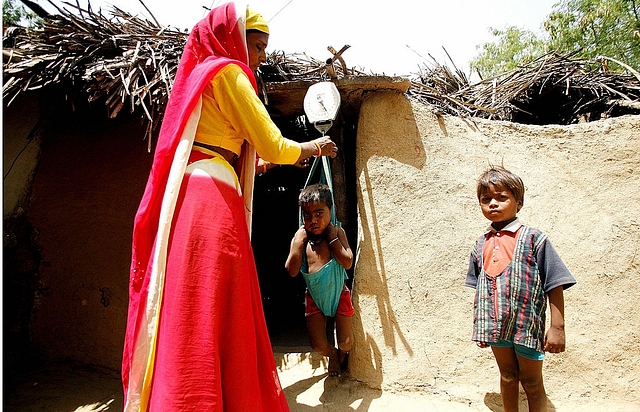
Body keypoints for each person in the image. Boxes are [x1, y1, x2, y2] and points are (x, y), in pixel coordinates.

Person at [121, 3, 337, 411]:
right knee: (217, 299)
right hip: (212, 198)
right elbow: (274, 142)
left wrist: (258, 162)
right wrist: (314, 146)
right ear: (235, 39)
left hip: (194, 191)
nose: (258, 58)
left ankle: (183, 393)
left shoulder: (202, 76)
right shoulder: (230, 72)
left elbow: (225, 142)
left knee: (190, 298)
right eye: (256, 46)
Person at [465, 166, 576, 412]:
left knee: (532, 382)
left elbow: (554, 282)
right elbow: (479, 289)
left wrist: (557, 328)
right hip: (497, 329)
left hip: (526, 326)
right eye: (486, 200)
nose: (493, 204)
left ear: (519, 202)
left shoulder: (535, 238)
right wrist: (482, 328)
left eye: (501, 197)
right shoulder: (480, 244)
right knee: (507, 376)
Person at [285, 183, 354, 377]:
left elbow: (347, 262)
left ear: (330, 211)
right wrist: (298, 244)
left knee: (347, 342)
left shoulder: (337, 232)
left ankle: (341, 352)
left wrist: (333, 239)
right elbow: (291, 271)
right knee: (318, 345)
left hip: (339, 292)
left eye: (319, 213)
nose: (313, 220)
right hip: (314, 296)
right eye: (307, 215)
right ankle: (332, 354)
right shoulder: (301, 238)